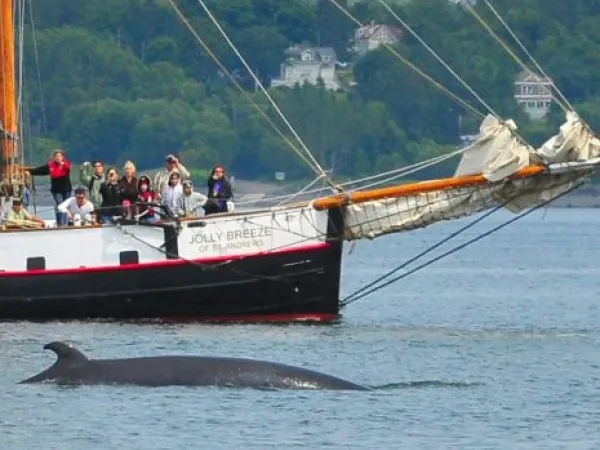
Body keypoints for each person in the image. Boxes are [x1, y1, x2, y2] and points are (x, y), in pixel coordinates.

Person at [28, 149, 72, 225]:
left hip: (66, 189)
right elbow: (41, 170)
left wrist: (62, 164)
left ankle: (68, 221)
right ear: (53, 157)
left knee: (67, 205)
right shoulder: (50, 165)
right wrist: (30, 172)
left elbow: (68, 168)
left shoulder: (66, 164)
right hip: (56, 190)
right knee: (60, 204)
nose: (57, 157)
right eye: (56, 156)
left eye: (59, 156)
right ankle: (61, 222)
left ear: (62, 157)